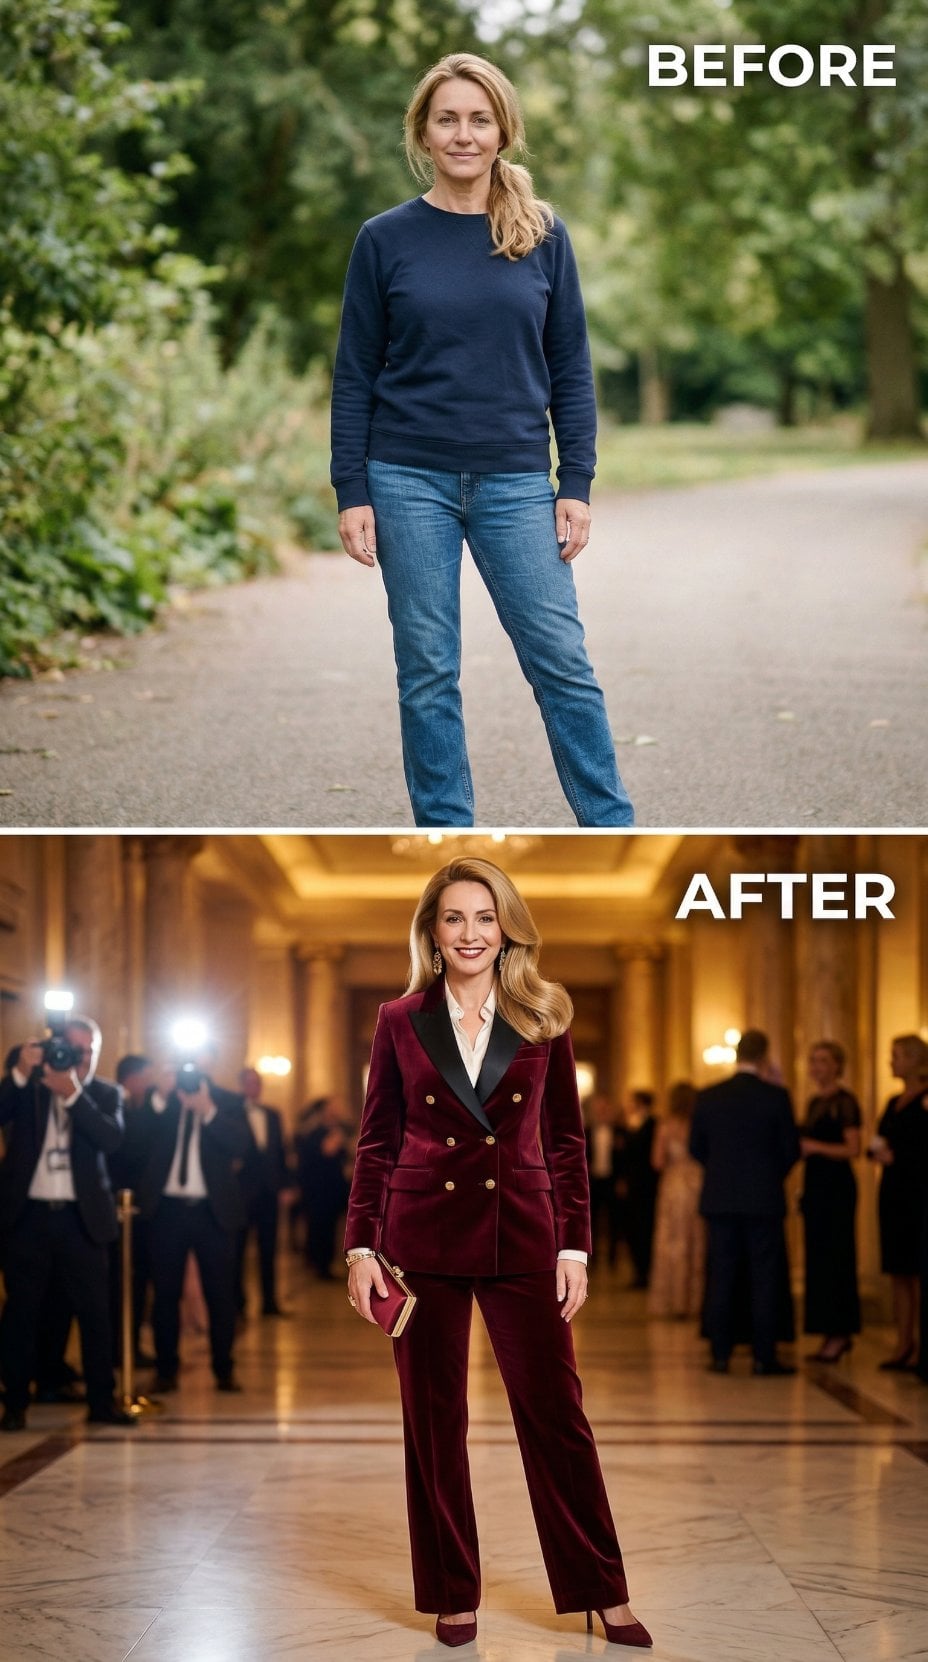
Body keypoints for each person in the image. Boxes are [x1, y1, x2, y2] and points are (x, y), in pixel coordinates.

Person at [345, 857, 651, 1649]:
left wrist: (575, 1246)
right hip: (420, 1243)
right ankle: (454, 1591)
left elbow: (565, 1140)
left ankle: (601, 1587)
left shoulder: (545, 1015)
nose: (470, 933)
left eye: (485, 917)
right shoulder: (398, 1018)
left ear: (507, 926)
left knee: (558, 1418)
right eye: (454, 918)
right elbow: (376, 1141)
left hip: (524, 1236)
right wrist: (360, 1248)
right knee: (434, 1422)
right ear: (433, 932)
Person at [330, 52, 634, 829]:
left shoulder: (541, 236)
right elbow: (355, 374)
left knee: (561, 663)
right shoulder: (383, 239)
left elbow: (570, 368)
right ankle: (446, 829)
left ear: (503, 131)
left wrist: (577, 484)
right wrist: (352, 491)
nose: (463, 134)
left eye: (479, 119)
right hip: (405, 478)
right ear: (424, 133)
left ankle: (610, 827)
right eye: (447, 119)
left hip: (515, 482)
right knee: (427, 672)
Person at [0, 1017, 135, 1430]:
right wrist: (21, 1073)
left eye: (87, 1052)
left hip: (82, 1221)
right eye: (72, 1050)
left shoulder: (105, 1093)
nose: (79, 1059)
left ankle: (101, 1402)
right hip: (29, 1216)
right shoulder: (28, 1089)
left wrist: (75, 1096)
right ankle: (16, 1404)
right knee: (22, 1314)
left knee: (96, 1314)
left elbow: (112, 1140)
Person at [137, 1050, 252, 1393]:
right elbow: (136, 1141)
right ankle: (166, 1369)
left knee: (220, 1294)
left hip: (212, 1213)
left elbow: (242, 1145)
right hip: (167, 1211)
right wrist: (160, 1095)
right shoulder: (165, 1102)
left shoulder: (227, 1102)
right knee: (165, 1294)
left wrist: (207, 1111)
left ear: (209, 1064)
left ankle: (224, 1368)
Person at [690, 1029, 800, 1376]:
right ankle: (762, 1356)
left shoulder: (709, 1096)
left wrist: (723, 1173)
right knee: (764, 1278)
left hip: (720, 1199)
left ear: (737, 1055)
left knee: (721, 1275)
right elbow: (791, 1150)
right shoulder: (776, 1096)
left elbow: (697, 1148)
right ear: (765, 1056)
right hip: (764, 1200)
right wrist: (767, 1177)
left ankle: (720, 1354)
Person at [798, 1042, 862, 1362]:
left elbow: (853, 1149)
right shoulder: (813, 1103)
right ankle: (827, 1331)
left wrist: (815, 1147)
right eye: (813, 1060)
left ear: (838, 1065)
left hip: (837, 1188)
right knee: (819, 1259)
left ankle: (840, 1332)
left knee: (837, 1257)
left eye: (823, 1060)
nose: (816, 1066)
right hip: (816, 1186)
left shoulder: (845, 1102)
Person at [869, 1034, 928, 1370]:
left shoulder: (925, 1101)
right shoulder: (893, 1102)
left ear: (915, 1060)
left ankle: (921, 1345)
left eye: (897, 1056)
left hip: (917, 1193)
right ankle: (903, 1342)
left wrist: (897, 1156)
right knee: (899, 1272)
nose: (891, 1062)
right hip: (892, 1193)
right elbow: (876, 1142)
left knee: (918, 1272)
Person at [109, 1054, 162, 1366]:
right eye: (146, 1076)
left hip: (141, 1211)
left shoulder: (146, 1108)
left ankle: (131, 1346)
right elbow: (129, 1148)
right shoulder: (113, 1103)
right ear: (132, 1077)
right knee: (115, 1284)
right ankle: (117, 1348)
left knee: (139, 1282)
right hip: (115, 1207)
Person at [235, 1065, 292, 1317]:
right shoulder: (232, 1113)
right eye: (249, 1083)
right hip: (241, 1194)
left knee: (269, 1250)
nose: (254, 1087)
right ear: (241, 1085)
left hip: (269, 1193)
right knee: (238, 1250)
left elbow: (281, 1153)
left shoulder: (273, 1115)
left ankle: (270, 1302)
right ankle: (238, 1303)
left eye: (257, 1083)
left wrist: (287, 1185)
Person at [647, 1082, 706, 1320]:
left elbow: (657, 1161)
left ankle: (675, 1301)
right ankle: (696, 1301)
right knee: (698, 1244)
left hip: (674, 1187)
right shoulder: (699, 1124)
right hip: (699, 1184)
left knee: (672, 1244)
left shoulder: (666, 1126)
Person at [297, 1095, 352, 1281]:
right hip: (319, 1188)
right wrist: (338, 1137)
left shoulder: (339, 1130)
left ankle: (325, 1263)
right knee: (319, 1227)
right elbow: (327, 1150)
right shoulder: (316, 1133)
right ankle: (320, 1265)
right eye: (333, 1108)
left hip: (334, 1188)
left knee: (329, 1227)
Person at [585, 1093, 625, 1269]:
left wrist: (622, 1180)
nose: (601, 1112)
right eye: (598, 1108)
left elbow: (625, 1159)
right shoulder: (585, 1131)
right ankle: (591, 1259)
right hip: (592, 1182)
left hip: (612, 1180)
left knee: (614, 1219)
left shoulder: (619, 1132)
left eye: (604, 1108)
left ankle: (612, 1258)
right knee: (590, 1221)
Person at [623, 1090, 659, 1289]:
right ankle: (638, 1271)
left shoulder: (653, 1123)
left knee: (646, 1228)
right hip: (633, 1184)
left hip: (648, 1185)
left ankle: (646, 1272)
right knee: (633, 1228)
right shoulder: (630, 1123)